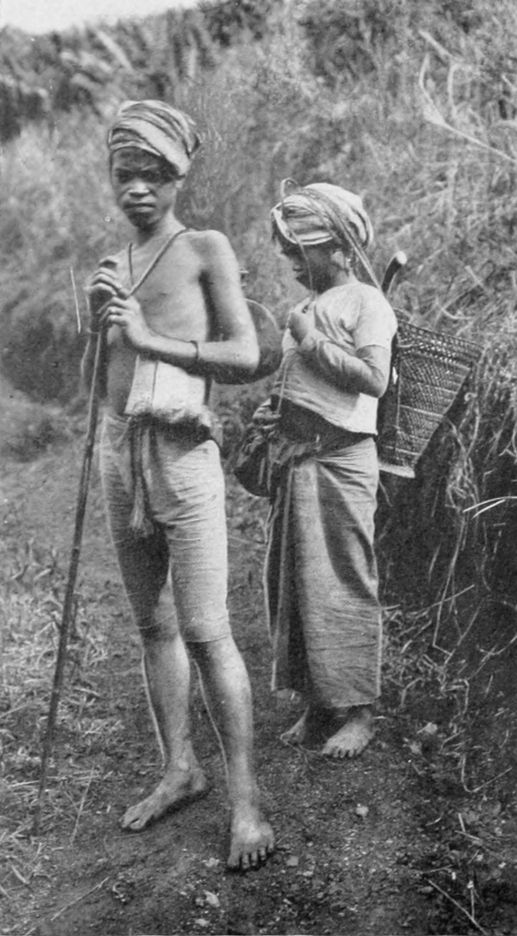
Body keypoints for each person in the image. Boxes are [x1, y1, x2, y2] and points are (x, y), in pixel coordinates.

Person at [81, 99, 274, 871]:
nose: (137, 188)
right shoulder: (112, 264)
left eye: (152, 174)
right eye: (124, 173)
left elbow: (246, 353)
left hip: (184, 447)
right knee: (153, 625)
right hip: (119, 449)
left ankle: (246, 800)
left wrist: (149, 336)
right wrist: (96, 323)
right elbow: (102, 374)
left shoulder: (203, 248)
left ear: (177, 175)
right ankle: (179, 768)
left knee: (205, 628)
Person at [257, 180, 397, 758]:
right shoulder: (307, 308)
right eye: (288, 253)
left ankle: (360, 711)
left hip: (342, 460)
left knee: (344, 578)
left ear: (338, 248)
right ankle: (318, 702)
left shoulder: (367, 303)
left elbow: (374, 380)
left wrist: (310, 340)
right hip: (299, 459)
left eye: (301, 251)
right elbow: (303, 383)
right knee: (296, 581)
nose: (293, 263)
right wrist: (274, 411)